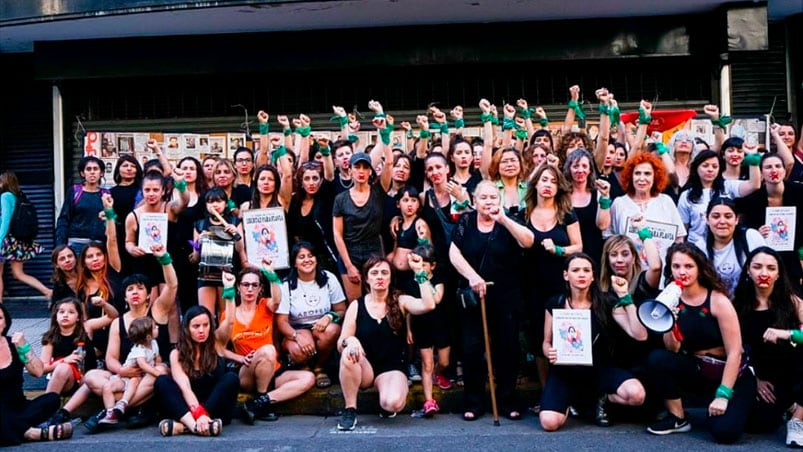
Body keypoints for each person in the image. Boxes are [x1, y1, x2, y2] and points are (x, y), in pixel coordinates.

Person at [51, 244, 176, 433]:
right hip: (127, 375)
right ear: (124, 297)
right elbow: (110, 359)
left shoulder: (157, 311)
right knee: (92, 376)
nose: (135, 292)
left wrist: (164, 259)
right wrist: (124, 371)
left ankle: (109, 411)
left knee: (159, 371)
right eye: (130, 289)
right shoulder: (118, 322)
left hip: (150, 372)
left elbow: (172, 285)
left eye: (140, 289)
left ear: (149, 294)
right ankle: (131, 407)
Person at [646, 243, 755, 444]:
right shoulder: (671, 298)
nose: (682, 272)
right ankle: (678, 418)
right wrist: (671, 322)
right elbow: (673, 350)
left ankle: (731, 404)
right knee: (658, 358)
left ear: (699, 268)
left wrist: (723, 394)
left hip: (730, 373)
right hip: (698, 369)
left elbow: (735, 352)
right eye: (676, 266)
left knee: (725, 433)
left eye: (688, 266)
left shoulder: (718, 301)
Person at [449, 180, 535, 421]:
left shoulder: (509, 222)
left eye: (493, 198)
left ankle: (507, 401)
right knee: (471, 349)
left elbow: (528, 241)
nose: (488, 202)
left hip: (506, 296)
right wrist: (473, 277)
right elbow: (453, 253)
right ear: (474, 202)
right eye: (483, 198)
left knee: (507, 349)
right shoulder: (466, 222)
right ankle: (474, 402)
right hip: (475, 295)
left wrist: (504, 220)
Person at [539, 253, 647, 431]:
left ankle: (598, 399)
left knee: (636, 395)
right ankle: (579, 402)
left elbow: (639, 335)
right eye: (575, 270)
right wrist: (549, 351)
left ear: (593, 276)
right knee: (549, 423)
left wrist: (625, 297)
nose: (581, 274)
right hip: (565, 372)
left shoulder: (606, 302)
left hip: (600, 369)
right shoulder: (555, 303)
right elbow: (546, 342)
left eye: (586, 270)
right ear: (566, 275)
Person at [335, 255, 436, 431]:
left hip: (392, 368)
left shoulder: (400, 301)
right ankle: (350, 409)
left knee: (393, 403)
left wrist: (420, 273)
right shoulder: (356, 305)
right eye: (374, 273)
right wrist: (350, 341)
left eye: (384, 272)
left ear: (390, 277)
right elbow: (340, 342)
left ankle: (385, 396)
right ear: (367, 278)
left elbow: (428, 305)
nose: (379, 277)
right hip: (364, 367)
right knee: (347, 353)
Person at [216, 265, 315, 424]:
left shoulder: (264, 306)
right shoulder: (229, 314)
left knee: (309, 378)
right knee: (268, 350)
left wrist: (272, 277)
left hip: (272, 371)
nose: (250, 289)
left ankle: (261, 402)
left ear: (260, 288)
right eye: (245, 284)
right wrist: (240, 359)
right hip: (247, 372)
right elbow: (219, 348)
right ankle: (262, 397)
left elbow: (277, 300)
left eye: (254, 285)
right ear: (239, 287)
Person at [733, 247, 803, 447]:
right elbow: (733, 348)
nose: (764, 273)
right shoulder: (737, 304)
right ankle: (790, 405)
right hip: (762, 377)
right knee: (758, 424)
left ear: (778, 273)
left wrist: (788, 333)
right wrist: (754, 379)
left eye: (771, 268)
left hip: (795, 370)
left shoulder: (793, 302)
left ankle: (798, 419)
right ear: (748, 270)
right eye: (757, 267)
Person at [332, 101, 393, 302]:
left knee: (378, 300)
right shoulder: (341, 199)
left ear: (369, 171)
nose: (360, 171)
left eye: (364, 167)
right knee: (355, 304)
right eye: (356, 167)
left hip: (373, 249)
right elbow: (337, 235)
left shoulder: (378, 190)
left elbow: (390, 162)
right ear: (349, 170)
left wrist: (384, 133)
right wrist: (349, 265)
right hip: (349, 252)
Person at [154, 305, 239, 437]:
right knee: (162, 381)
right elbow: (185, 387)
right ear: (187, 328)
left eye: (206, 325)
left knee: (231, 378)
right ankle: (197, 427)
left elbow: (230, 321)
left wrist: (229, 290)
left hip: (214, 406)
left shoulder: (217, 344)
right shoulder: (176, 354)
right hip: (187, 408)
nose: (202, 330)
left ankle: (183, 428)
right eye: (196, 326)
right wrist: (199, 414)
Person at [275, 242, 346, 389]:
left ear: (316, 259)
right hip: (297, 328)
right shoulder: (286, 285)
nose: (307, 260)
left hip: (320, 328)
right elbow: (281, 322)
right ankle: (305, 368)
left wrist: (329, 317)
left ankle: (319, 368)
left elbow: (341, 309)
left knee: (333, 330)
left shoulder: (328, 278)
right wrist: (296, 336)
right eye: (301, 257)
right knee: (297, 350)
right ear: (294, 263)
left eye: (310, 255)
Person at [0, 304, 71, 445]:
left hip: (19, 408)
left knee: (52, 399)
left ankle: (10, 429)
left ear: (6, 322)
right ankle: (31, 433)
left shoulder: (14, 344)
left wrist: (24, 347)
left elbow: (38, 372)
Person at [606, 151, 686, 273]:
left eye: (647, 174)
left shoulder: (666, 201)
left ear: (655, 176)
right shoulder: (619, 203)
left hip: (663, 273)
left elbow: (679, 238)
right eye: (637, 173)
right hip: (628, 274)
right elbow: (610, 237)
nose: (642, 178)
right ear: (630, 176)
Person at [736, 152, 803, 294]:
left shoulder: (799, 193)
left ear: (785, 170)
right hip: (765, 259)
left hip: (794, 259)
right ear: (761, 173)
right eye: (768, 167)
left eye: (778, 166)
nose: (774, 170)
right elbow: (744, 229)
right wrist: (756, 234)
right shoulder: (752, 200)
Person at [677, 149, 760, 244]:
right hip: (696, 246)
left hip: (725, 243)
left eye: (715, 166)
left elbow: (754, 185)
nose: (710, 169)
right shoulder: (687, 195)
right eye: (705, 166)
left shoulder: (728, 187)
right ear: (696, 168)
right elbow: (683, 228)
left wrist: (753, 158)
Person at [404, 244, 450, 417]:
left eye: (424, 264)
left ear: (433, 265)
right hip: (421, 325)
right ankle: (429, 401)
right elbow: (408, 308)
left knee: (444, 362)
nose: (420, 267)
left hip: (441, 324)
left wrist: (423, 278)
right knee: (427, 363)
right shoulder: (410, 283)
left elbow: (437, 299)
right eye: (418, 263)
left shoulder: (438, 280)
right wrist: (408, 329)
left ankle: (437, 375)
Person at [691, 197, 764, 296]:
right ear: (707, 219)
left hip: (749, 303)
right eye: (716, 216)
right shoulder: (700, 247)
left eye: (728, 216)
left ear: (737, 219)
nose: (722, 221)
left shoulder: (751, 237)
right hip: (715, 306)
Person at [191, 187, 247, 316]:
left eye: (219, 201)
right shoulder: (199, 225)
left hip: (227, 274)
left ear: (226, 204)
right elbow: (195, 258)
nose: (215, 205)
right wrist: (198, 244)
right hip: (206, 274)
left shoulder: (234, 222)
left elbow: (240, 249)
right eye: (210, 202)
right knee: (206, 315)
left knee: (225, 315)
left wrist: (235, 234)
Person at [97, 316, 162, 425]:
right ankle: (110, 411)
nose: (158, 327)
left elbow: (157, 356)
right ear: (148, 336)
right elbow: (143, 365)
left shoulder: (154, 343)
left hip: (139, 377)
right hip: (126, 377)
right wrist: (158, 374)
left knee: (135, 380)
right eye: (155, 327)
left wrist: (158, 364)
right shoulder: (139, 349)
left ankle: (123, 403)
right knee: (108, 387)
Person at [0, 170, 51, 300]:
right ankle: (47, 291)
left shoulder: (5, 196)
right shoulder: (19, 196)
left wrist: (0, 239)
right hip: (18, 240)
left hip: (6, 241)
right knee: (18, 274)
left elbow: (5, 220)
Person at [168, 156, 207, 314]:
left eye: (192, 168)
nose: (188, 172)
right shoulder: (171, 194)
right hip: (176, 249)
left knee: (196, 294)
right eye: (184, 168)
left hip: (198, 251)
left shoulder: (205, 195)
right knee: (179, 295)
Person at [39, 297, 95, 396]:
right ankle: (46, 404)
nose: (65, 315)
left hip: (87, 379)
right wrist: (65, 360)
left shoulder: (86, 330)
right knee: (63, 368)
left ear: (78, 317)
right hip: (65, 380)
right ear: (55, 316)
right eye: (61, 312)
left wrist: (103, 304)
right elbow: (42, 368)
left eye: (71, 312)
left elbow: (111, 317)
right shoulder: (50, 337)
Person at [55, 156, 109, 255]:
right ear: (82, 173)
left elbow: (112, 220)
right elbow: (63, 219)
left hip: (98, 244)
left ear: (101, 173)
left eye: (95, 169)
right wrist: (60, 246)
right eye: (88, 169)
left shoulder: (106, 194)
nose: (92, 172)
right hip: (76, 243)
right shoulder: (75, 191)